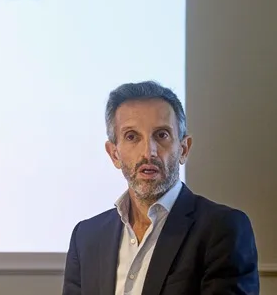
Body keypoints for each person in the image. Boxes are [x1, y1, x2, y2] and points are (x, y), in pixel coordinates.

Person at [62, 81, 259, 295]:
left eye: (162, 135)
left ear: (184, 149)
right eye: (132, 137)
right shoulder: (86, 237)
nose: (149, 152)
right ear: (114, 154)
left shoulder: (223, 228)